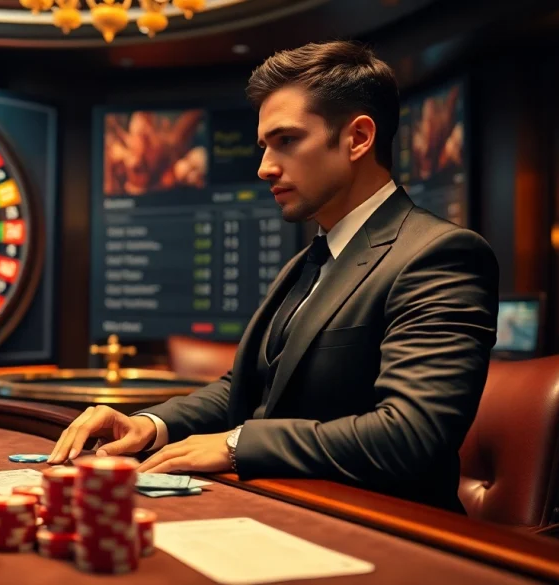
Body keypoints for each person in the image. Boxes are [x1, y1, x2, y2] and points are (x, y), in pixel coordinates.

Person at [48, 40, 498, 513]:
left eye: (286, 140)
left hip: (387, 530)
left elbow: (409, 434)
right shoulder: (310, 259)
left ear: (358, 138)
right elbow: (246, 386)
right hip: (284, 504)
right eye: (264, 146)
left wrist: (234, 446)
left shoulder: (441, 254)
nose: (264, 167)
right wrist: (150, 424)